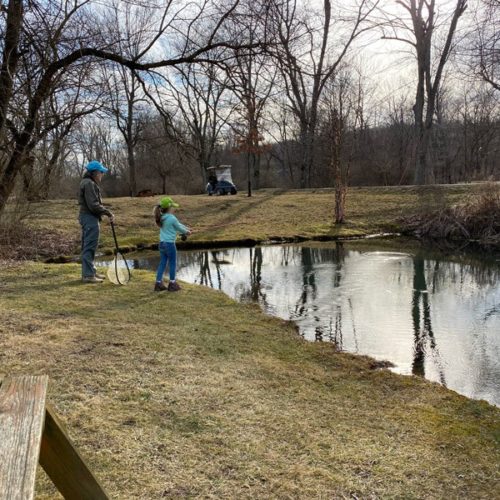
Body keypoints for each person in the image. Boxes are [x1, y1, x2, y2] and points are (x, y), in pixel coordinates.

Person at [78, 160, 114, 283]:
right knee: (89, 247)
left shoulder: (88, 182)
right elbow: (93, 205)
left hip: (88, 217)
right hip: (89, 218)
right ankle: (88, 275)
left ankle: (90, 272)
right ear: (94, 172)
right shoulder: (89, 184)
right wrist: (107, 212)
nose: (102, 175)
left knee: (89, 246)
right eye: (101, 172)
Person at [153, 197, 191, 292]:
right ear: (169, 208)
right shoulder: (172, 218)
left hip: (161, 244)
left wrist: (187, 228)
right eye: (172, 207)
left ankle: (158, 284)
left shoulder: (161, 217)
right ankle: (172, 284)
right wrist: (187, 232)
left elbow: (178, 225)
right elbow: (179, 228)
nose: (173, 209)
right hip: (170, 245)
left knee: (162, 263)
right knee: (173, 263)